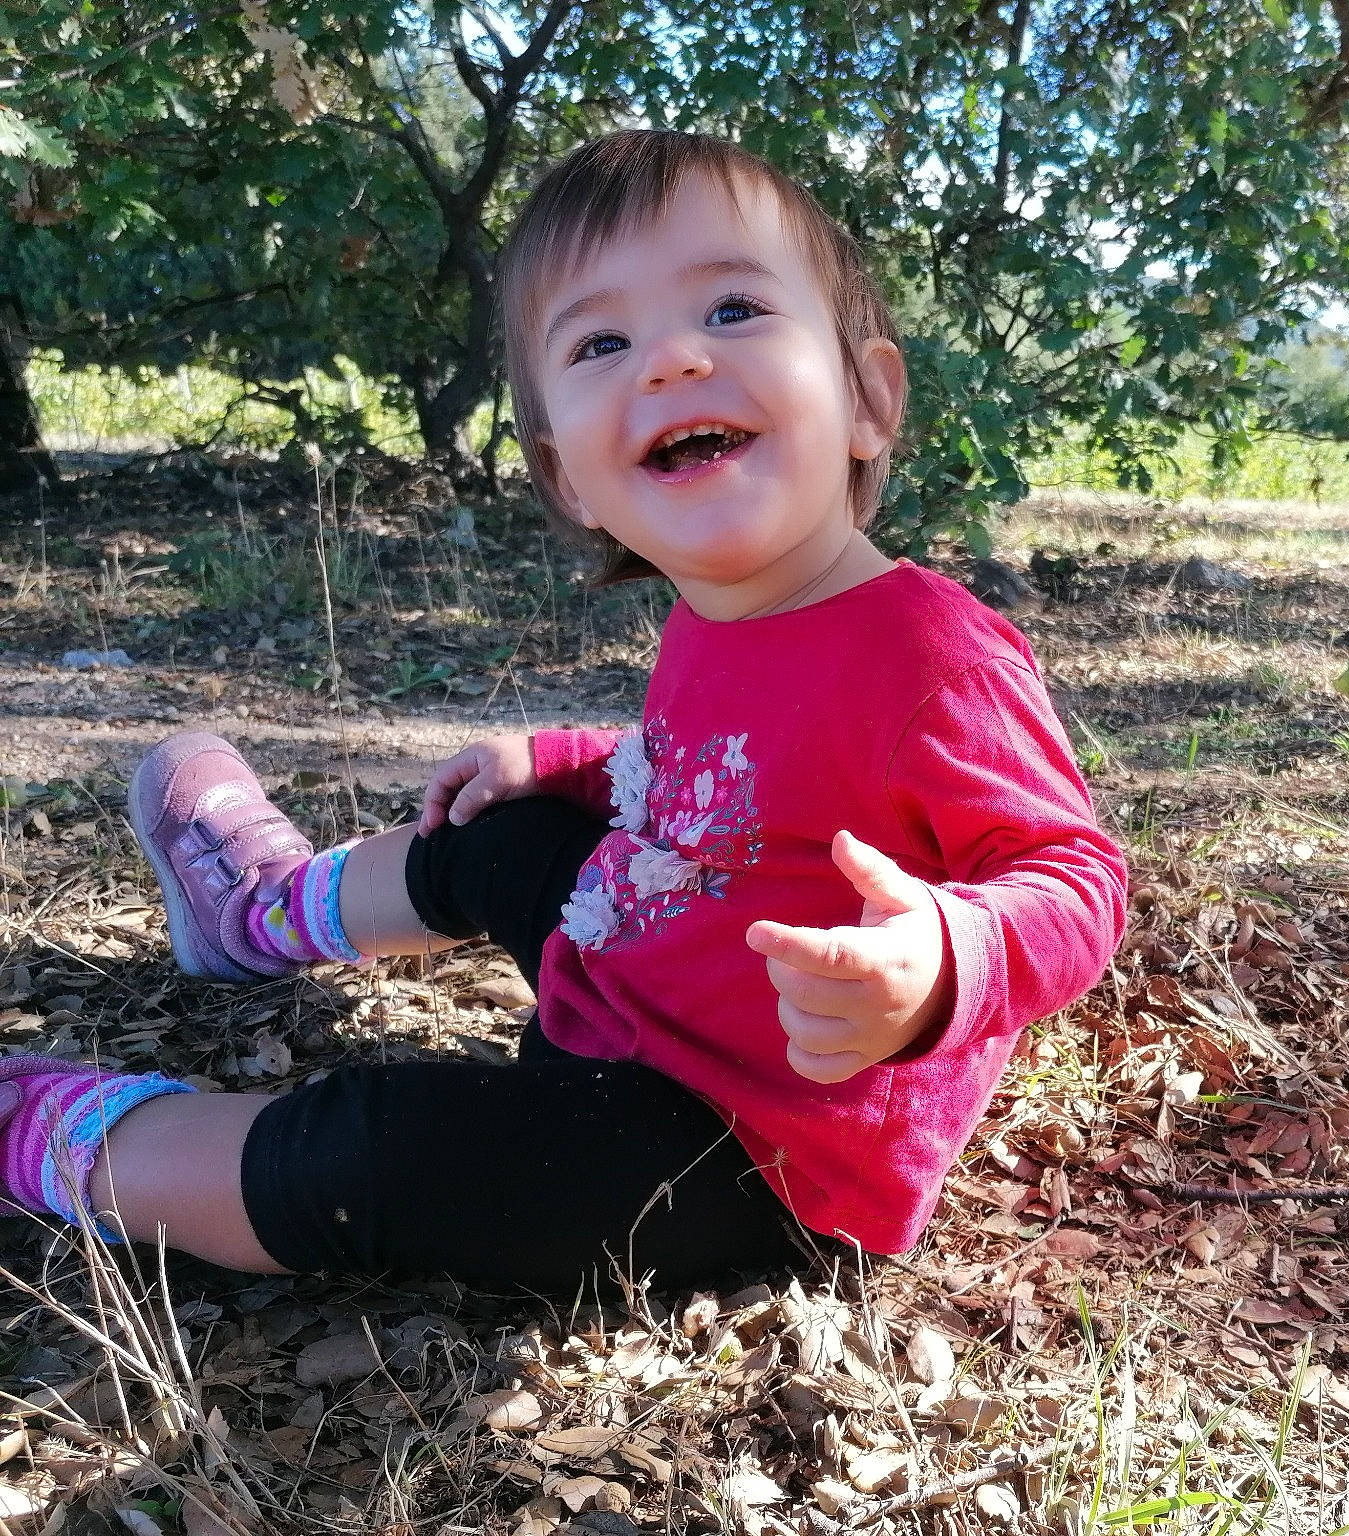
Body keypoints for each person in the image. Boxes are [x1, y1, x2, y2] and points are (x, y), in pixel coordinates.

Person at [0, 130, 1127, 1296]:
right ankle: (256, 913)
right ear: (571, 478)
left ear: (868, 401)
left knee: (387, 1148)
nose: (673, 359)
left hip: (744, 1146)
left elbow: (1073, 874)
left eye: (734, 308)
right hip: (636, 974)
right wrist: (565, 762)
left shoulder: (929, 655)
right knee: (497, 833)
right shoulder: (721, 611)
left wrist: (938, 958)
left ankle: (72, 1145)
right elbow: (717, 776)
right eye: (602, 341)